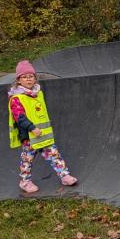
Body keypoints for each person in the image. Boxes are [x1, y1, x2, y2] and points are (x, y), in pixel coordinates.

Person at [8, 60, 77, 194]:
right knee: (27, 159)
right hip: (29, 136)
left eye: (31, 76)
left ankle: (64, 176)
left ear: (35, 78)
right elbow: (19, 117)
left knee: (53, 154)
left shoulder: (38, 94)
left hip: (43, 134)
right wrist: (32, 128)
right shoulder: (16, 98)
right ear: (18, 80)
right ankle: (25, 182)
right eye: (24, 77)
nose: (28, 79)